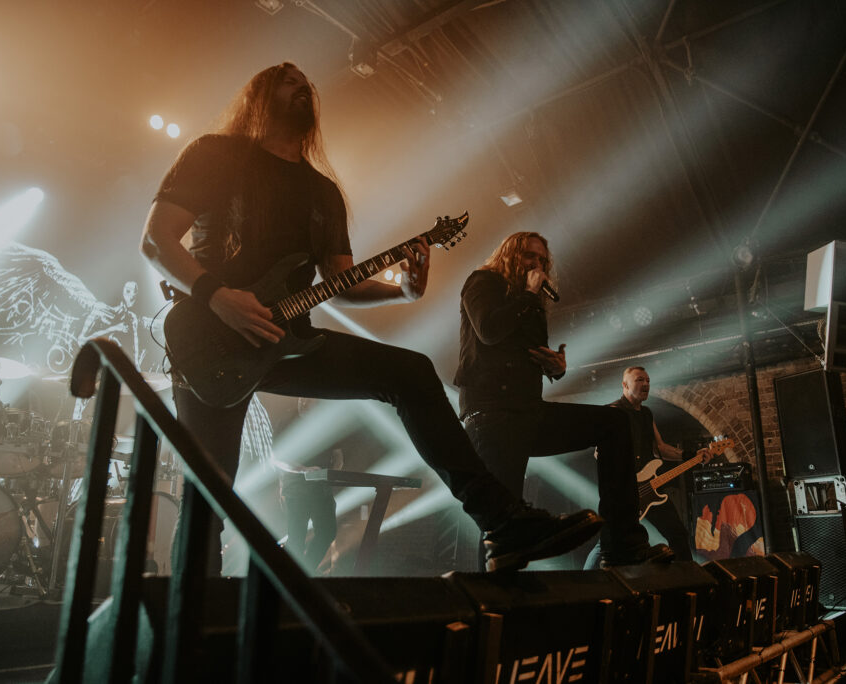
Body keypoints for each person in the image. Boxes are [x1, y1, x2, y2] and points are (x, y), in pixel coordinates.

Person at [139, 62, 601, 574]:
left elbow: (339, 281)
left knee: (411, 372)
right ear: (259, 96)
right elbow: (156, 239)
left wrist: (399, 290)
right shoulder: (215, 154)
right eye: (287, 82)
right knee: (211, 491)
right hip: (210, 338)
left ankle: (502, 522)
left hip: (288, 338)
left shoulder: (322, 193)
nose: (301, 88)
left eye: (306, 85)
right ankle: (187, 627)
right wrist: (218, 295)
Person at [454, 232, 671, 568]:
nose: (536, 265)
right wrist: (528, 294)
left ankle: (621, 545)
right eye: (529, 256)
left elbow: (528, 354)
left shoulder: (530, 306)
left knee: (614, 422)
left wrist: (555, 367)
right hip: (492, 414)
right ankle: (488, 601)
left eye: (542, 260)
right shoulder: (482, 282)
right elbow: (488, 330)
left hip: (527, 411)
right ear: (510, 255)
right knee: (503, 516)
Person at [585, 367, 693, 568]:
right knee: (606, 543)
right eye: (639, 380)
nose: (646, 384)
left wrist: (690, 455)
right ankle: (586, 583)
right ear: (625, 385)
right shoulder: (612, 412)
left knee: (677, 533)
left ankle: (688, 579)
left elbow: (659, 448)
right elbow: (599, 453)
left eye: (648, 380)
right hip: (623, 490)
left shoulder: (646, 414)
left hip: (650, 488)